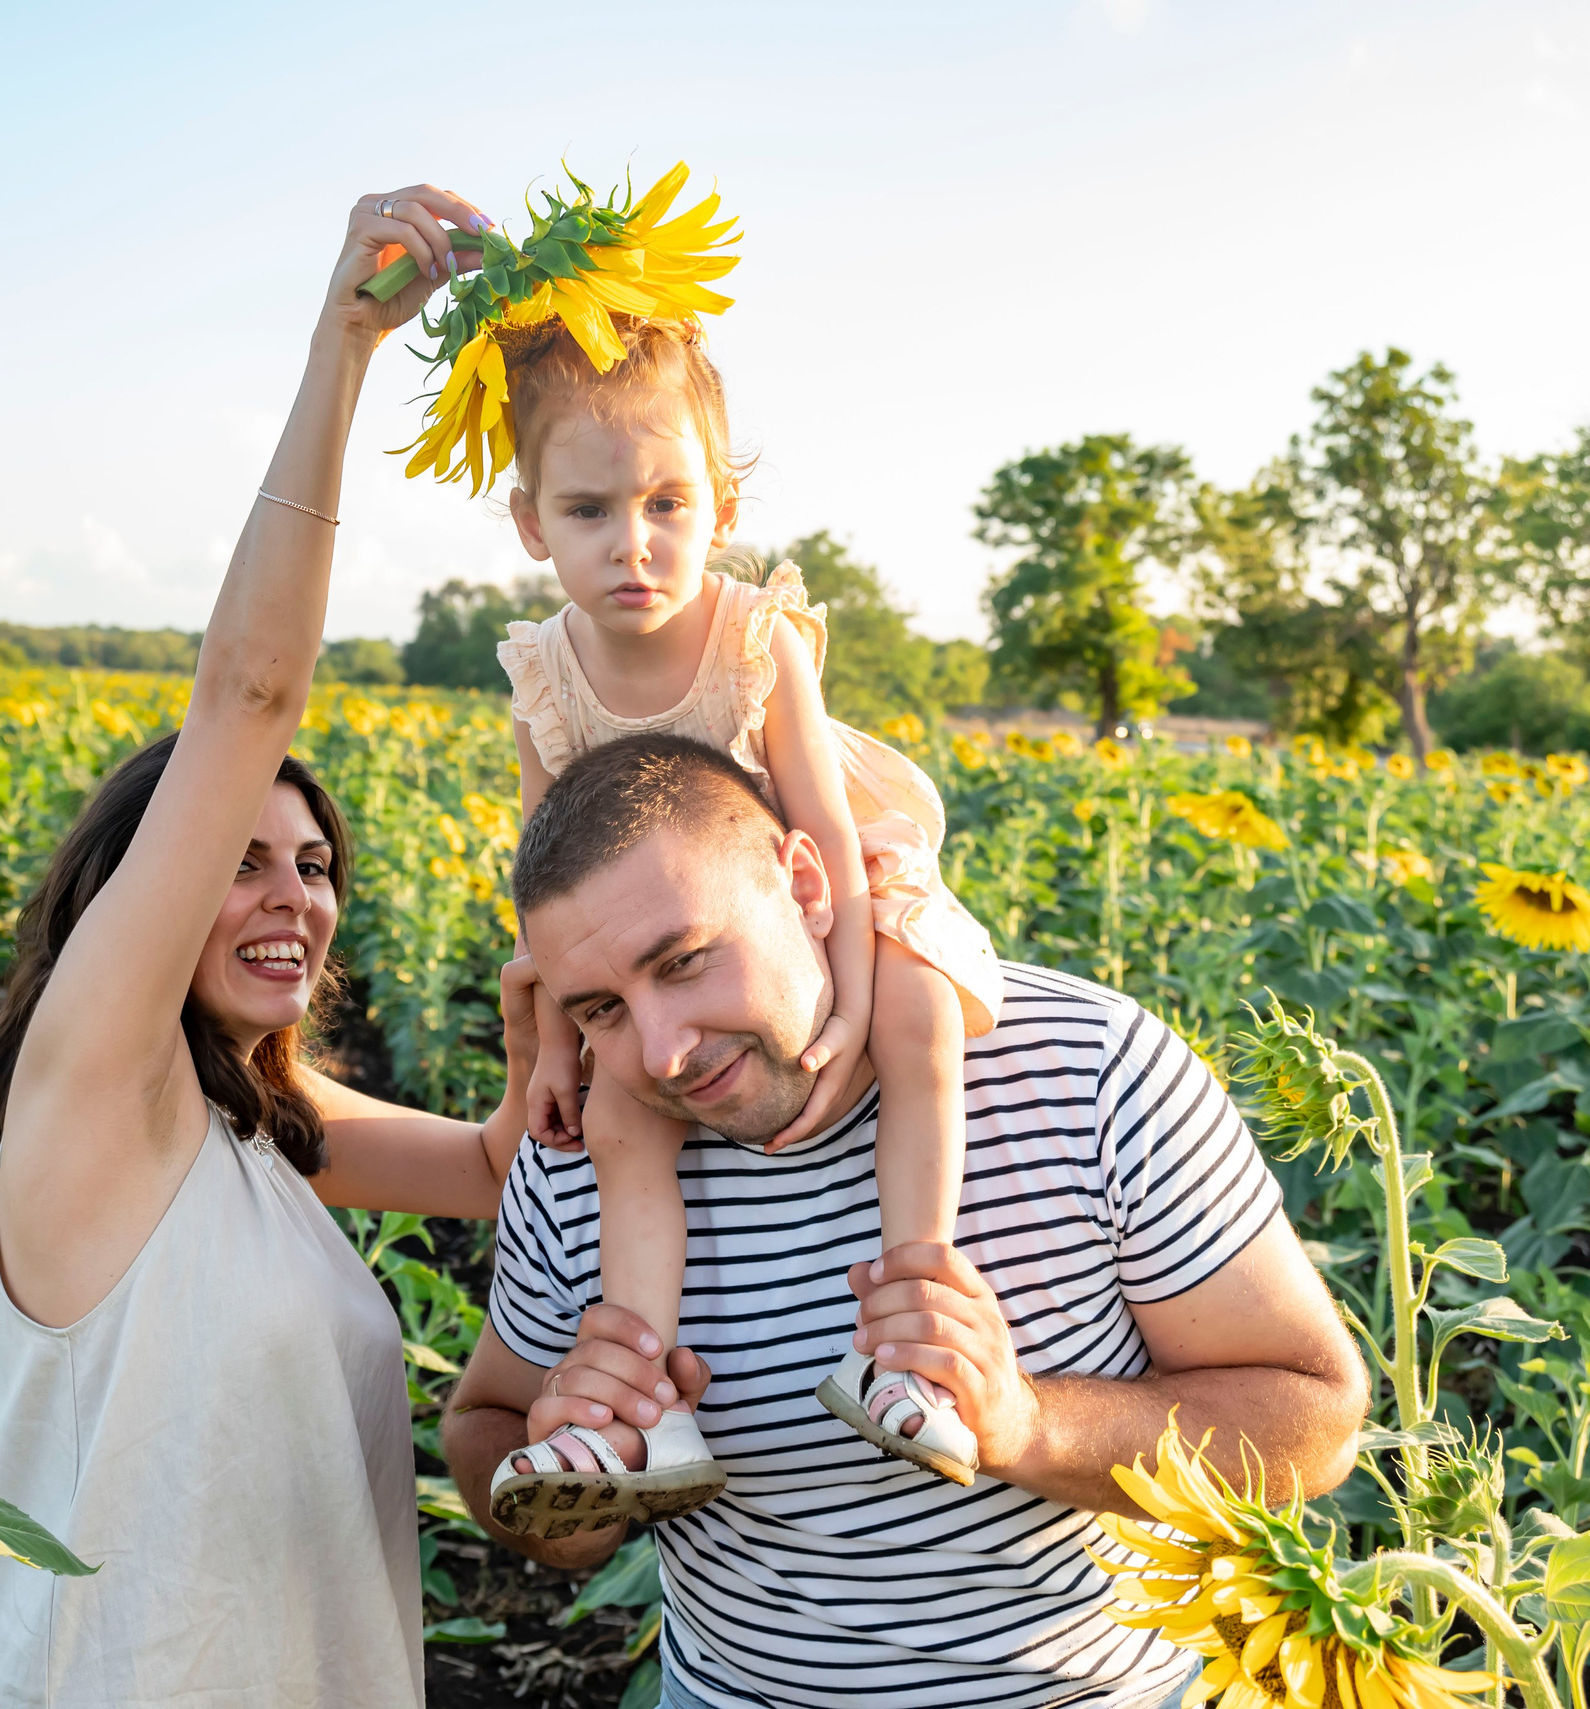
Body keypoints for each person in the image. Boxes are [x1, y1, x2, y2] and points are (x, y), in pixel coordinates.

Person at [0, 182, 528, 1709]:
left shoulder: (270, 1139)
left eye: (314, 869)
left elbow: (508, 1169)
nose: (292, 898)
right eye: (237, 862)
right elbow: (250, 690)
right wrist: (345, 347)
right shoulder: (99, 1093)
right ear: (138, 899)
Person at [443, 733, 1368, 1709]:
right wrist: (580, 1501)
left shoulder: (1089, 1072)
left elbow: (1314, 1417)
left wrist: (1027, 1424)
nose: (662, 1052)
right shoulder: (586, 1155)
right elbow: (482, 1425)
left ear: (805, 881)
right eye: (601, 1011)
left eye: (683, 962)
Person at [384, 165, 1005, 1524]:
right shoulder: (544, 671)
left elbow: (829, 839)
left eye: (669, 504)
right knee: (621, 1119)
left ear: (720, 501)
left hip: (819, 887)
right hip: (658, 941)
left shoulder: (755, 633)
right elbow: (551, 886)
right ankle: (640, 1394)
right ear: (531, 522)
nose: (635, 543)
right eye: (592, 512)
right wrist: (560, 1042)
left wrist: (840, 995)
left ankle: (915, 1333)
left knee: (916, 1023)